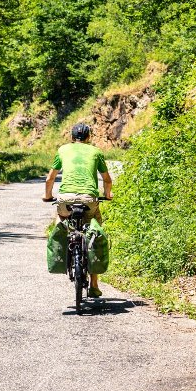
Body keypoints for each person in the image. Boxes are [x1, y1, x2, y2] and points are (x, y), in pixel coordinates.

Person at [42, 122, 112, 298]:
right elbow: (107, 180)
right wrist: (108, 195)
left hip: (66, 199)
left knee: (61, 219)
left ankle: (59, 245)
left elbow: (50, 178)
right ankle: (94, 284)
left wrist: (47, 196)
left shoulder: (63, 150)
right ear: (89, 137)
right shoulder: (96, 152)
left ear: (72, 137)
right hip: (89, 199)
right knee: (94, 231)